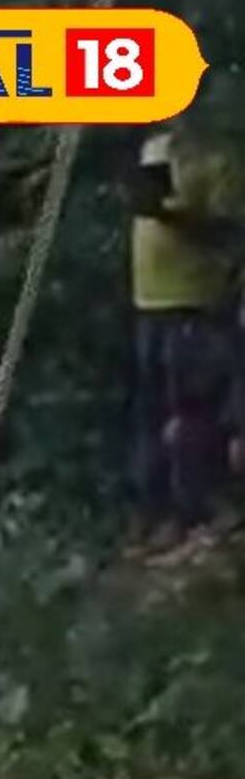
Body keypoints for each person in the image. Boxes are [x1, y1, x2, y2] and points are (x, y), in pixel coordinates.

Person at [129, 91, 243, 551]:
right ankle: (152, 515)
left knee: (191, 415)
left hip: (194, 300)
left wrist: (169, 215)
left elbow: (229, 231)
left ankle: (195, 515)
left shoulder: (220, 159)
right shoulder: (155, 148)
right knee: (149, 413)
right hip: (147, 301)